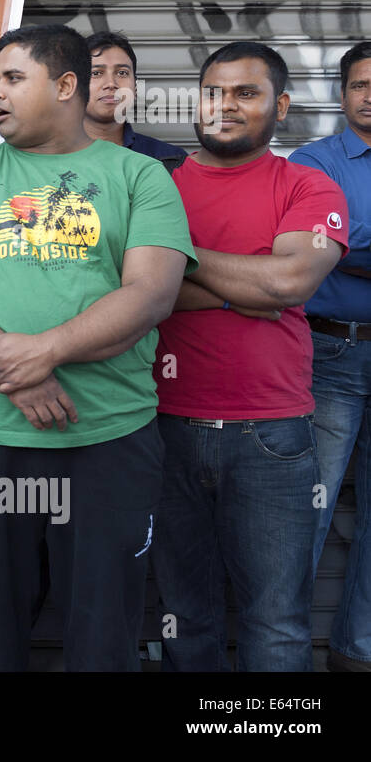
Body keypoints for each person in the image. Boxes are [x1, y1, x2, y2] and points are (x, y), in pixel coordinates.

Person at [0, 23, 196, 671]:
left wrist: (46, 350)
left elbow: (152, 292)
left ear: (65, 85)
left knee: (103, 631)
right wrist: (17, 368)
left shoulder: (141, 176)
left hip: (106, 440)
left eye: (13, 78)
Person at [153, 41, 349, 672]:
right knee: (185, 614)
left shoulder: (310, 187)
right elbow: (130, 296)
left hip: (273, 435)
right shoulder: (155, 187)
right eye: (214, 91)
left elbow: (289, 285)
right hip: (162, 427)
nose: (225, 105)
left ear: (281, 106)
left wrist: (173, 258)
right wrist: (247, 291)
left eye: (246, 92)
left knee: (277, 621)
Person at [288, 41, 371, 672]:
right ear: (342, 94)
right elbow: (324, 242)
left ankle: (355, 654)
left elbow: (348, 237)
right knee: (305, 512)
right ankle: (280, 660)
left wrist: (351, 240)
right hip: (331, 351)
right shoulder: (316, 161)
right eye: (360, 84)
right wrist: (345, 244)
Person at [82, 31, 186, 170]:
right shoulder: (48, 158)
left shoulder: (170, 161)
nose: (111, 83)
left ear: (135, 88)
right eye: (96, 73)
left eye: (122, 73)